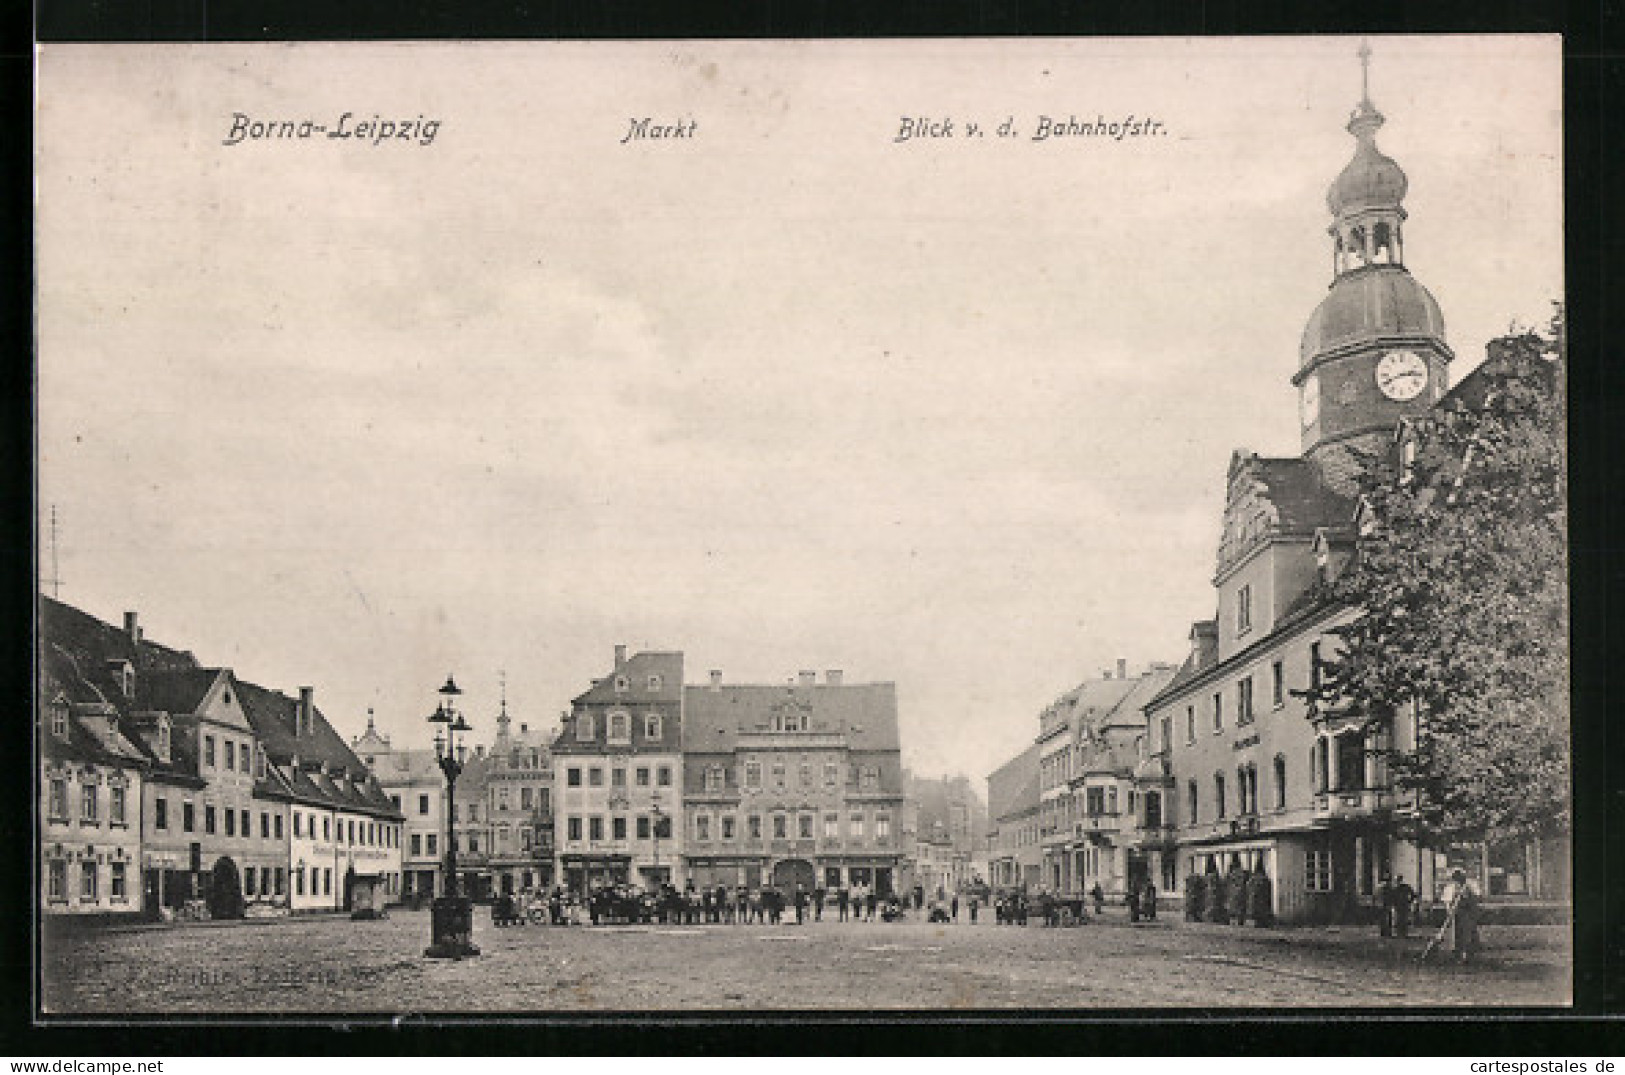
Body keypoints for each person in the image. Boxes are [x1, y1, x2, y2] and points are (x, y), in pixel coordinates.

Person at [1437, 869, 1482, 963]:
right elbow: (1447, 901)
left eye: (1460, 880)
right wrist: (1449, 910)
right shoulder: (1451, 888)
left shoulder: (1469, 887)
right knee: (1458, 934)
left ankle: (1468, 952)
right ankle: (1459, 953)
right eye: (1457, 880)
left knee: (1469, 933)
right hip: (1457, 914)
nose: (1458, 883)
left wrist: (1467, 894)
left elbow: (1476, 898)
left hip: (1468, 914)